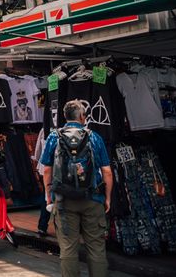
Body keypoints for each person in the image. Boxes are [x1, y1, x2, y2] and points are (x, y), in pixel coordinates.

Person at [41, 100, 113, 277]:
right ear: (82, 116)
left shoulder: (53, 137)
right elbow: (107, 172)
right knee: (96, 248)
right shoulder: (94, 137)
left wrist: (48, 196)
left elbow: (47, 170)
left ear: (65, 116)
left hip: (64, 201)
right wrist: (108, 198)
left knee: (68, 249)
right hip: (92, 199)